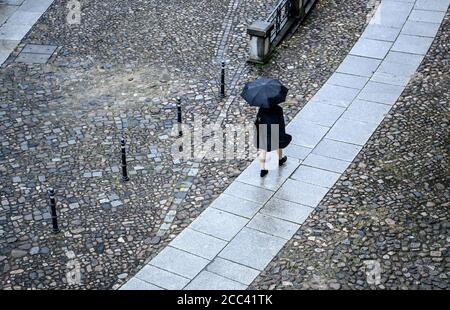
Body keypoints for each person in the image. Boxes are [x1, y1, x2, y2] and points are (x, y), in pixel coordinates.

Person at [255, 105, 292, 177]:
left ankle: (263, 169)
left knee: (263, 149)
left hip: (264, 129)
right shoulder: (278, 109)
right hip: (275, 129)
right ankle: (280, 159)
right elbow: (281, 123)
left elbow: (258, 120)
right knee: (279, 144)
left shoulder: (262, 109)